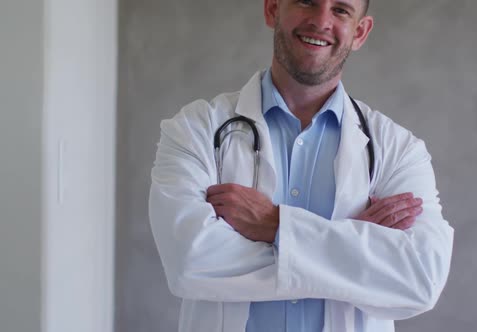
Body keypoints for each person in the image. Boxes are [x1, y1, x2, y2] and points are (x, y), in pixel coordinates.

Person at [149, 0, 454, 331]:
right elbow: (190, 263)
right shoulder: (196, 130)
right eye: (306, 1)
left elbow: (420, 280)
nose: (320, 20)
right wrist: (354, 251)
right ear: (272, 9)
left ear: (360, 32)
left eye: (340, 9)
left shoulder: (398, 149)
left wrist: (276, 225)